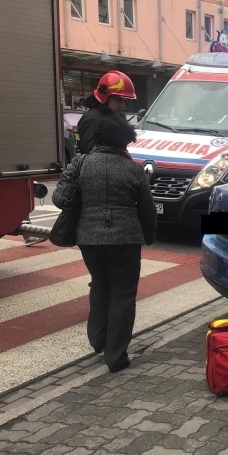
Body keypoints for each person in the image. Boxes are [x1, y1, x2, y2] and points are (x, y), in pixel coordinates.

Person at [53, 114, 157, 373]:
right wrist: (148, 237)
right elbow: (148, 210)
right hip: (126, 239)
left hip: (89, 238)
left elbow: (58, 199)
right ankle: (116, 355)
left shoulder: (81, 163)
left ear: (96, 138)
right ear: (124, 140)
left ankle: (98, 339)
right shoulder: (134, 169)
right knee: (123, 293)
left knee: (100, 285)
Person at [76, 71, 137, 155]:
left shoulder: (111, 118)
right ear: (105, 98)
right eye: (118, 100)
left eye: (124, 101)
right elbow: (93, 155)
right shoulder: (92, 119)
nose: (122, 105)